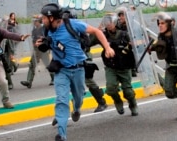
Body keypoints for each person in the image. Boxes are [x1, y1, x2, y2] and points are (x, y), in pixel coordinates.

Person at [36, 3, 114, 141]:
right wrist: (40, 45)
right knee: (61, 100)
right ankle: (62, 134)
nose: (42, 20)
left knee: (78, 98)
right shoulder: (46, 30)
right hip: (61, 70)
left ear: (52, 18)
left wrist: (107, 47)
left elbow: (97, 31)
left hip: (78, 69)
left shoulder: (72, 24)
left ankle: (77, 108)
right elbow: (43, 44)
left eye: (44, 18)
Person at [90, 13, 138, 117]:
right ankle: (117, 101)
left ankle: (133, 104)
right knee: (111, 89)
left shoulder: (124, 34)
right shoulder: (102, 35)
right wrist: (96, 31)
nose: (108, 24)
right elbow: (88, 42)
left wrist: (132, 45)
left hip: (125, 67)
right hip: (111, 67)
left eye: (110, 21)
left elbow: (136, 46)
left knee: (128, 92)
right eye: (106, 22)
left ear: (115, 22)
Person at [150, 12, 177, 120]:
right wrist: (150, 48)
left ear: (170, 24)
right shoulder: (161, 36)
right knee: (169, 93)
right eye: (159, 23)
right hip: (171, 67)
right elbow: (159, 46)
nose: (160, 25)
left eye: (163, 23)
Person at [67, 10, 107, 113]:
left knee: (88, 80)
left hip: (83, 57)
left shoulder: (77, 28)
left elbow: (87, 43)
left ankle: (101, 102)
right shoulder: (62, 30)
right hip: (70, 60)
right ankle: (63, 112)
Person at [20, 15, 54, 88]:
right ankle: (29, 81)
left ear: (39, 22)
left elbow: (48, 38)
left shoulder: (44, 29)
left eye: (36, 21)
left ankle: (53, 79)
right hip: (36, 49)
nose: (34, 23)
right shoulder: (34, 30)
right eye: (34, 22)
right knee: (32, 64)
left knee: (48, 65)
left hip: (43, 49)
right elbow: (33, 39)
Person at [115, 6, 137, 77]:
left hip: (136, 54)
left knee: (150, 72)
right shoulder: (118, 27)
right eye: (120, 15)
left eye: (123, 15)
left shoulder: (133, 25)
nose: (121, 17)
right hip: (125, 56)